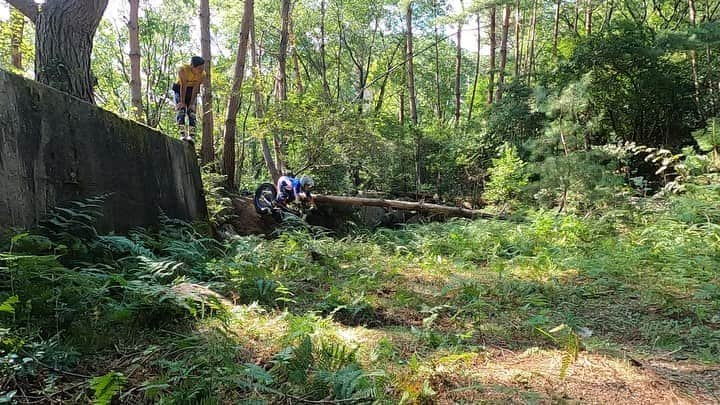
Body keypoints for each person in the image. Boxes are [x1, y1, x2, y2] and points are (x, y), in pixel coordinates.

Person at [172, 56, 206, 142]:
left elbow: (196, 88)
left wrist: (191, 104)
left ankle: (191, 136)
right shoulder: (183, 70)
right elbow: (183, 86)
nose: (201, 70)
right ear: (192, 66)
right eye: (199, 68)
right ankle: (182, 134)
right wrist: (182, 102)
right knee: (181, 110)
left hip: (191, 90)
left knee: (192, 113)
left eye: (202, 68)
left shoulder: (202, 74)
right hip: (179, 88)